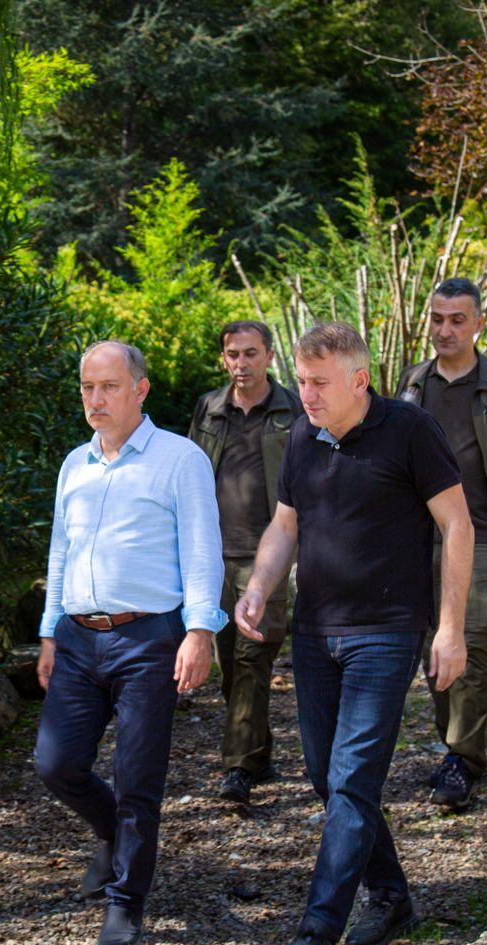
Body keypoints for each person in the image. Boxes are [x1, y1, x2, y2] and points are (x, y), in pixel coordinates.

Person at [235, 322, 472, 945]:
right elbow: (286, 524)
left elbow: (457, 523)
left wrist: (450, 628)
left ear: (359, 380)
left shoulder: (409, 430)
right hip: (315, 631)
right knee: (327, 777)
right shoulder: (301, 437)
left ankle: (317, 935)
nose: (305, 394)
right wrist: (258, 587)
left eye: (319, 383)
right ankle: (391, 895)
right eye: (302, 381)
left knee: (351, 779)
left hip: (387, 631)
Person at [33, 340, 225, 945]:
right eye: (88, 388)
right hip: (77, 637)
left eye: (109, 387)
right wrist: (48, 631)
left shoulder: (180, 459)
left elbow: (203, 550)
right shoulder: (75, 464)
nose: (96, 399)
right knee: (55, 763)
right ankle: (113, 835)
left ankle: (125, 901)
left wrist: (200, 631)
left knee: (138, 776)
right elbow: (60, 551)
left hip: (149, 638)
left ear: (140, 389)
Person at [398, 277, 487, 811]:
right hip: (419, 536)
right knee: (432, 645)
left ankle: (463, 757)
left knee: (472, 641)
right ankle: (452, 744)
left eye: (458, 320)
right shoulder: (413, 383)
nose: (446, 330)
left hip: (481, 532)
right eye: (437, 319)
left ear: (479, 323)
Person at [189, 320, 304, 805]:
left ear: (270, 356)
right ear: (224, 359)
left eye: (251, 353)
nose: (242, 363)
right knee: (229, 664)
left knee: (252, 657)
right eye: (233, 354)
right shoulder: (209, 409)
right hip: (214, 555)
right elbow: (191, 472)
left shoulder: (294, 409)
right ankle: (257, 750)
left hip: (269, 557)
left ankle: (238, 767)